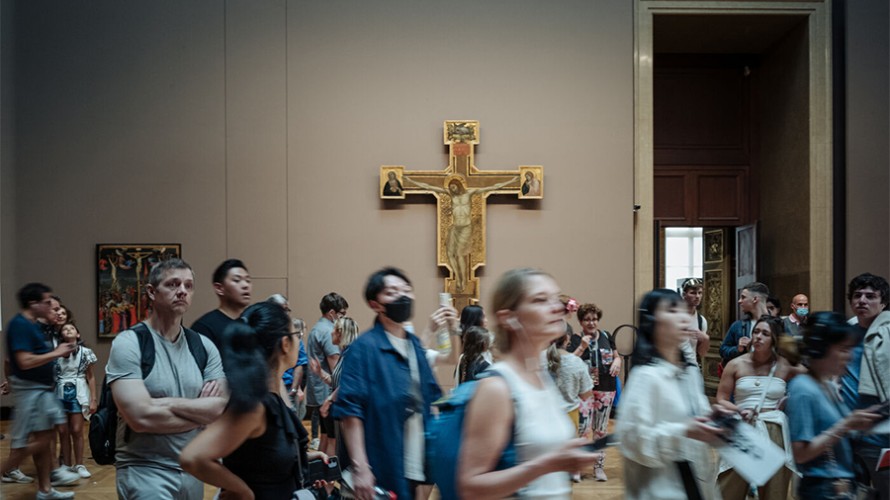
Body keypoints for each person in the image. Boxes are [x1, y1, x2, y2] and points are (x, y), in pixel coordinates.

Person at [456, 268, 600, 499]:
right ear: (509, 317)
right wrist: (547, 464)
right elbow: (471, 487)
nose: (558, 307)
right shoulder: (497, 388)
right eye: (540, 300)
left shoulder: (541, 375)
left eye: (556, 298)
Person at [180, 302, 330, 499]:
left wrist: (303, 457)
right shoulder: (255, 407)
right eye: (297, 336)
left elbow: (262, 456)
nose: (299, 341)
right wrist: (242, 490)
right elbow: (192, 458)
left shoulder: (273, 396)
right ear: (285, 344)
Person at [105, 259, 228, 500]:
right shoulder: (129, 343)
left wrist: (164, 403)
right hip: (145, 471)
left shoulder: (203, 346)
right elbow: (140, 418)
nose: (182, 290)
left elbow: (219, 409)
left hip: (193, 469)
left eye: (188, 285)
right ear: (151, 291)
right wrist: (200, 416)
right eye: (173, 284)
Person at [333, 267, 442, 500]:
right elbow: (351, 411)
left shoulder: (415, 346)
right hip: (380, 458)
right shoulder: (364, 348)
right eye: (392, 292)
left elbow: (432, 398)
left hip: (414, 460)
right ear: (375, 304)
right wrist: (361, 467)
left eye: (406, 290)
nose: (402, 297)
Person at [617, 288, 730, 500]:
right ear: (652, 321)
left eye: (681, 309)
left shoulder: (689, 373)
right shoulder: (646, 376)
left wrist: (722, 420)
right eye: (671, 310)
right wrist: (683, 430)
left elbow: (700, 417)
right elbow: (633, 440)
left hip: (696, 482)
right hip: (660, 488)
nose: (682, 315)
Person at [785, 311, 883, 498]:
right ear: (821, 349)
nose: (850, 357)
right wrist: (846, 424)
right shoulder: (803, 388)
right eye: (843, 349)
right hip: (822, 489)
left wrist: (859, 423)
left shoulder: (825, 384)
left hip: (839, 486)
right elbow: (801, 453)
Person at [0, 283, 81, 499]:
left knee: (46, 441)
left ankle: (45, 490)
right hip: (31, 392)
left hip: (43, 391)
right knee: (37, 442)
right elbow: (24, 361)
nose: (50, 306)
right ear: (32, 303)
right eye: (46, 302)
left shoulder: (33, 324)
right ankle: (8, 470)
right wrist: (57, 353)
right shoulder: (20, 325)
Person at [716, 316, 805, 499]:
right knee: (730, 486)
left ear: (774, 339)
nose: (758, 337)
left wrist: (790, 399)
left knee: (774, 489)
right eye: (756, 332)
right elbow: (722, 398)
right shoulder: (736, 364)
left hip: (774, 428)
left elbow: (812, 380)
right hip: (742, 426)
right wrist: (738, 410)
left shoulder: (784, 364)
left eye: (765, 333)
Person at [405, 176, 518, 292]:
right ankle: (458, 277)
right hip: (455, 228)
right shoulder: (450, 194)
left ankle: (462, 281)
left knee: (459, 255)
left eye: (454, 187)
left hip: (465, 228)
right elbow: (429, 187)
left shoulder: (469, 194)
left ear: (459, 186)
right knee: (449, 254)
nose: (453, 190)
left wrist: (511, 182)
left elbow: (491, 188)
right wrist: (411, 182)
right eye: (451, 188)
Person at [841, 273, 890, 499]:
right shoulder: (843, 336)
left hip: (881, 435)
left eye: (871, 296)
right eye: (857, 295)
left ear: (883, 302)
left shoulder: (887, 333)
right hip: (848, 433)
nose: (862, 300)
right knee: (851, 494)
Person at [572, 302, 620, 482]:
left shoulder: (606, 336)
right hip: (583, 391)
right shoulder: (576, 339)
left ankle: (598, 467)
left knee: (600, 430)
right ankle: (577, 467)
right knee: (583, 430)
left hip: (606, 388)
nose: (591, 323)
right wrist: (582, 347)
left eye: (594, 319)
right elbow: (569, 361)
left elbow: (616, 355)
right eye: (587, 320)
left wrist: (618, 361)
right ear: (581, 322)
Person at [546, 332, 594, 483]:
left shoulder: (540, 359)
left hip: (545, 415)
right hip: (570, 416)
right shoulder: (576, 362)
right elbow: (586, 394)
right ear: (567, 339)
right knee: (566, 460)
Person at [306, 292, 348, 455]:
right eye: (342, 314)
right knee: (333, 438)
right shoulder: (328, 331)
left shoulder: (317, 327)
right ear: (332, 313)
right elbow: (336, 370)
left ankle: (318, 475)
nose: (343, 319)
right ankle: (329, 479)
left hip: (319, 390)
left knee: (324, 436)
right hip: (328, 393)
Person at [55, 322, 98, 479]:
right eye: (65, 329)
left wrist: (93, 399)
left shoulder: (85, 353)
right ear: (61, 335)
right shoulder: (55, 353)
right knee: (62, 431)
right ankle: (66, 464)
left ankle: (79, 464)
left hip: (78, 392)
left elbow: (91, 377)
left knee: (77, 430)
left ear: (78, 334)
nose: (68, 330)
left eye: (72, 328)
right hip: (59, 393)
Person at [191, 259, 253, 348]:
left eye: (248, 280)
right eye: (237, 280)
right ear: (219, 288)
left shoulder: (256, 321)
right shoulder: (205, 327)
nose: (245, 285)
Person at [267, 294, 309, 420]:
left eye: (287, 310)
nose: (286, 313)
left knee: (292, 420)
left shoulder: (293, 336)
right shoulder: (262, 332)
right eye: (283, 309)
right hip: (267, 389)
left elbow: (299, 364)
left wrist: (294, 390)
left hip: (288, 387)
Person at [720, 282, 771, 366]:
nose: (739, 301)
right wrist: (738, 349)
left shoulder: (778, 324)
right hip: (745, 373)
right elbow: (723, 350)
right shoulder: (738, 326)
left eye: (743, 297)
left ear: (755, 299)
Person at [680, 278, 710, 364]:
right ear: (684, 294)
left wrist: (705, 339)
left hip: (692, 367)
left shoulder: (701, 321)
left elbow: (702, 352)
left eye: (700, 293)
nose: (697, 296)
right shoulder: (675, 317)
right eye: (693, 293)